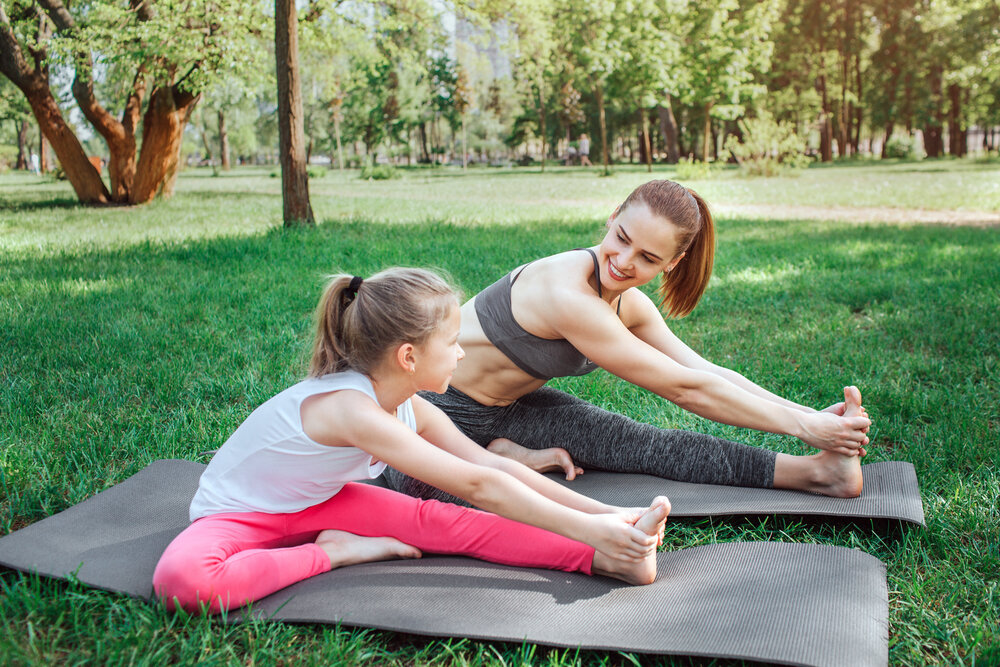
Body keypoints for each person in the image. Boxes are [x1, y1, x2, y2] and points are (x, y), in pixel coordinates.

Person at [153, 268, 670, 615]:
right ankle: (334, 554)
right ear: (408, 358)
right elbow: (475, 483)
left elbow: (492, 470)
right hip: (239, 515)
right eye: (452, 343)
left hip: (323, 502)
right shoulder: (352, 410)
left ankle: (609, 559)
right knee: (183, 583)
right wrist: (591, 526)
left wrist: (605, 516)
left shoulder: (407, 403)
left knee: (450, 524)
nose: (462, 354)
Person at [384, 180, 872, 507]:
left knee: (645, 444)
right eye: (621, 237)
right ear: (612, 215)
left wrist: (810, 418)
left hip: (510, 408)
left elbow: (705, 373)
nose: (622, 261)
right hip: (435, 413)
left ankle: (817, 474)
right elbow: (685, 392)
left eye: (647, 257)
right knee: (482, 501)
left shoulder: (629, 305)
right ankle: (507, 457)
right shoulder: (565, 291)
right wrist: (804, 426)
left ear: (672, 263)